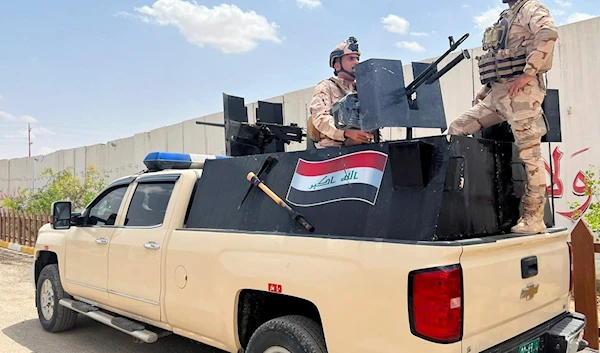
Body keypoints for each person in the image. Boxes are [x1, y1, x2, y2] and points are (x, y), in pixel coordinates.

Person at [447, 0, 558, 234]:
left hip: (521, 95)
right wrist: (487, 88)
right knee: (457, 128)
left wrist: (528, 73)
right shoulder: (506, 15)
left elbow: (548, 33)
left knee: (530, 156)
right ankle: (463, 203)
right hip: (497, 95)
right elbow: (499, 56)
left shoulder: (531, 7)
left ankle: (533, 218)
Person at [307, 37, 374, 148]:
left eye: (357, 58)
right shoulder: (326, 87)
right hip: (332, 150)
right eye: (351, 58)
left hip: (362, 146)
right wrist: (346, 133)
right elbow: (320, 118)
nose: (356, 62)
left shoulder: (362, 89)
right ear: (337, 65)